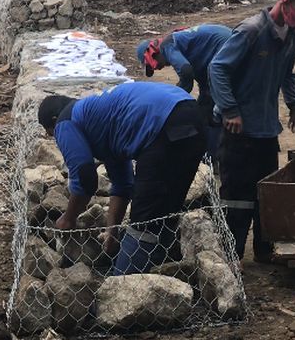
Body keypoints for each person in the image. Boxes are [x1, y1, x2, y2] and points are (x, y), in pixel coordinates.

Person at [208, 0, 295, 262]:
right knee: (236, 196)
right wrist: (230, 110)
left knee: (266, 193)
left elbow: (287, 73)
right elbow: (217, 69)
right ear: (283, 2)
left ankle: (264, 251)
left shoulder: (291, 34)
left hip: (265, 129)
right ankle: (231, 256)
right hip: (238, 130)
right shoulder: (252, 30)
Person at [37, 82, 207, 275]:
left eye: (50, 132)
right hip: (192, 114)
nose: (53, 137)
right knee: (165, 208)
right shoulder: (101, 121)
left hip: (163, 124)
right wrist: (112, 231)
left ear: (53, 120)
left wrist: (68, 219)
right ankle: (161, 272)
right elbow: (123, 184)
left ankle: (123, 286)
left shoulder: (65, 121)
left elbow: (85, 177)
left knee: (144, 219)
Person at [136, 24, 232, 161]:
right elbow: (201, 79)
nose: (161, 67)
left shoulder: (166, 46)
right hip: (222, 46)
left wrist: (175, 98)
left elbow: (186, 71)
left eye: (157, 65)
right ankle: (213, 155)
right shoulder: (182, 46)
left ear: (153, 52)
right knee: (205, 108)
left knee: (213, 113)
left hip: (224, 46)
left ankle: (213, 156)